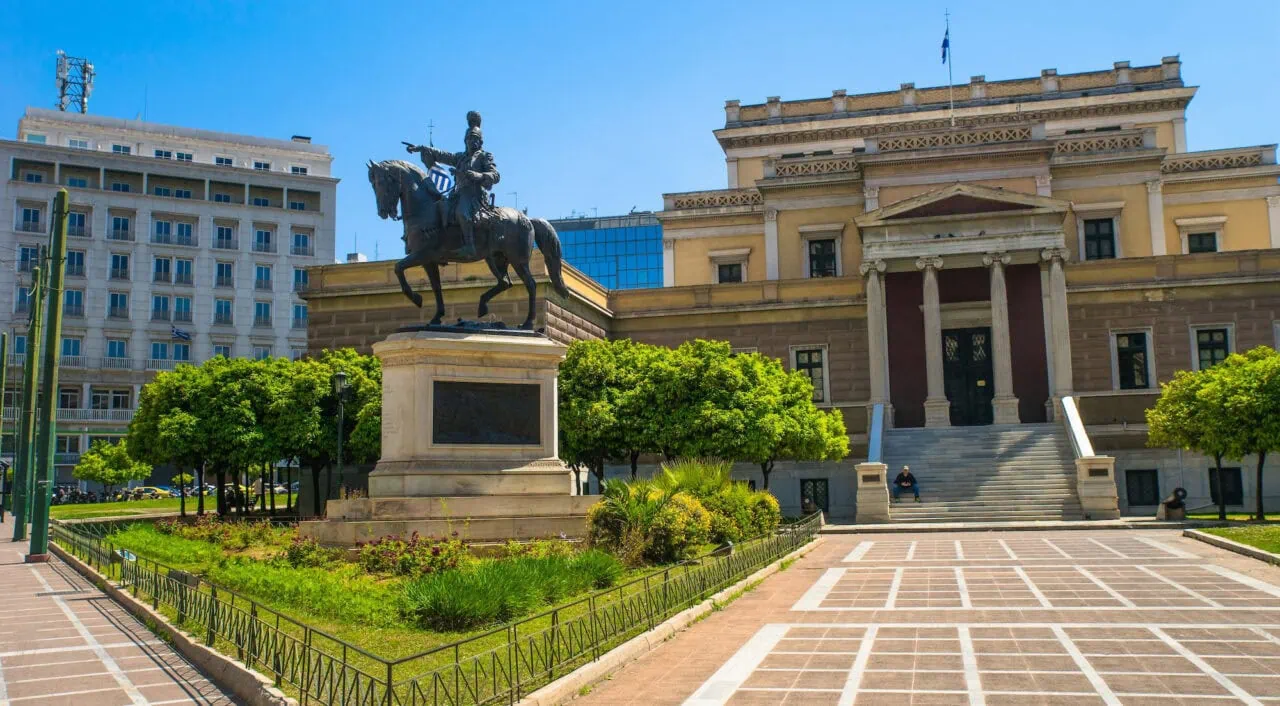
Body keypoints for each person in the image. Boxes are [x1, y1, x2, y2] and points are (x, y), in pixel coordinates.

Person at [405, 111, 500, 258]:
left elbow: (495, 175)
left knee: (461, 212)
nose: (471, 141)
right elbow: (441, 154)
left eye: (475, 139)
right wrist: (421, 148)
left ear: (480, 142)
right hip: (458, 194)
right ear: (465, 141)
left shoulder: (484, 156)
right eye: (469, 138)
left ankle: (470, 246)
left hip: (474, 195)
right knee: (438, 208)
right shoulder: (460, 157)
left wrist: (479, 175)